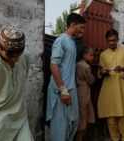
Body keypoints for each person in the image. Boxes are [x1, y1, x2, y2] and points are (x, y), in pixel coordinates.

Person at [0, 27, 34, 141]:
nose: (15, 59)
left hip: (19, 119)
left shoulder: (25, 57)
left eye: (18, 55)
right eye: (10, 55)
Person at [45, 13, 86, 141]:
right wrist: (63, 90)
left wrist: (82, 8)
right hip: (61, 92)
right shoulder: (61, 40)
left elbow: (76, 20)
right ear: (73, 25)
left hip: (70, 90)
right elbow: (53, 66)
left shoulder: (71, 41)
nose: (82, 31)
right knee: (60, 128)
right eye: (81, 27)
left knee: (72, 125)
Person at [97, 29, 124, 141]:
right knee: (111, 120)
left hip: (122, 90)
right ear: (106, 41)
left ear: (117, 39)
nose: (112, 43)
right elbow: (99, 72)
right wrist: (102, 72)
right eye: (109, 41)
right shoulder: (103, 54)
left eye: (114, 40)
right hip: (108, 91)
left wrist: (123, 68)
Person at [75, 46, 95, 141]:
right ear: (84, 55)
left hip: (78, 93)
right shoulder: (86, 67)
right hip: (84, 94)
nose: (92, 57)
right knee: (84, 121)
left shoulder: (77, 64)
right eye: (90, 55)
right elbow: (91, 81)